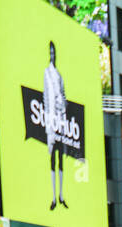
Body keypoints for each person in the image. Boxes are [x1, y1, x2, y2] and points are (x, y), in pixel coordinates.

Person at [44, 41, 68, 211]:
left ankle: (61, 196)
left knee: (61, 160)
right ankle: (53, 197)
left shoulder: (59, 75)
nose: (53, 55)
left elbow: (64, 95)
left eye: (54, 52)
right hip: (52, 121)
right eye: (50, 52)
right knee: (52, 158)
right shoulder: (47, 73)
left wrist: (63, 106)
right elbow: (46, 98)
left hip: (61, 120)